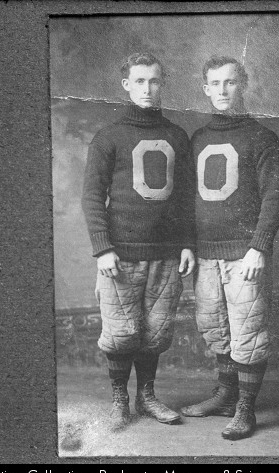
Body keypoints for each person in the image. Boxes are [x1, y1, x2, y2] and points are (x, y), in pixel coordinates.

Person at [81, 52, 196, 431]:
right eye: (140, 81)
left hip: (165, 255)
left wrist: (187, 243)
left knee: (155, 331)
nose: (148, 88)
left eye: (154, 81)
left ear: (163, 84)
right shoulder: (109, 137)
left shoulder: (177, 136)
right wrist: (102, 248)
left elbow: (185, 197)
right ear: (126, 85)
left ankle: (146, 396)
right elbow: (92, 196)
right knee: (120, 333)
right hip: (120, 255)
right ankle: (120, 400)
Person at [180, 55, 279, 440]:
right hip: (205, 253)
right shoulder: (198, 139)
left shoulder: (262, 137)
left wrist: (258, 247)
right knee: (215, 326)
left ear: (243, 85)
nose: (223, 90)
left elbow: (275, 197)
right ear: (205, 89)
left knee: (248, 330)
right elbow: (187, 199)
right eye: (215, 83)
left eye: (230, 82)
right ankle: (226, 395)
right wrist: (188, 245)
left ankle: (245, 408)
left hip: (245, 253)